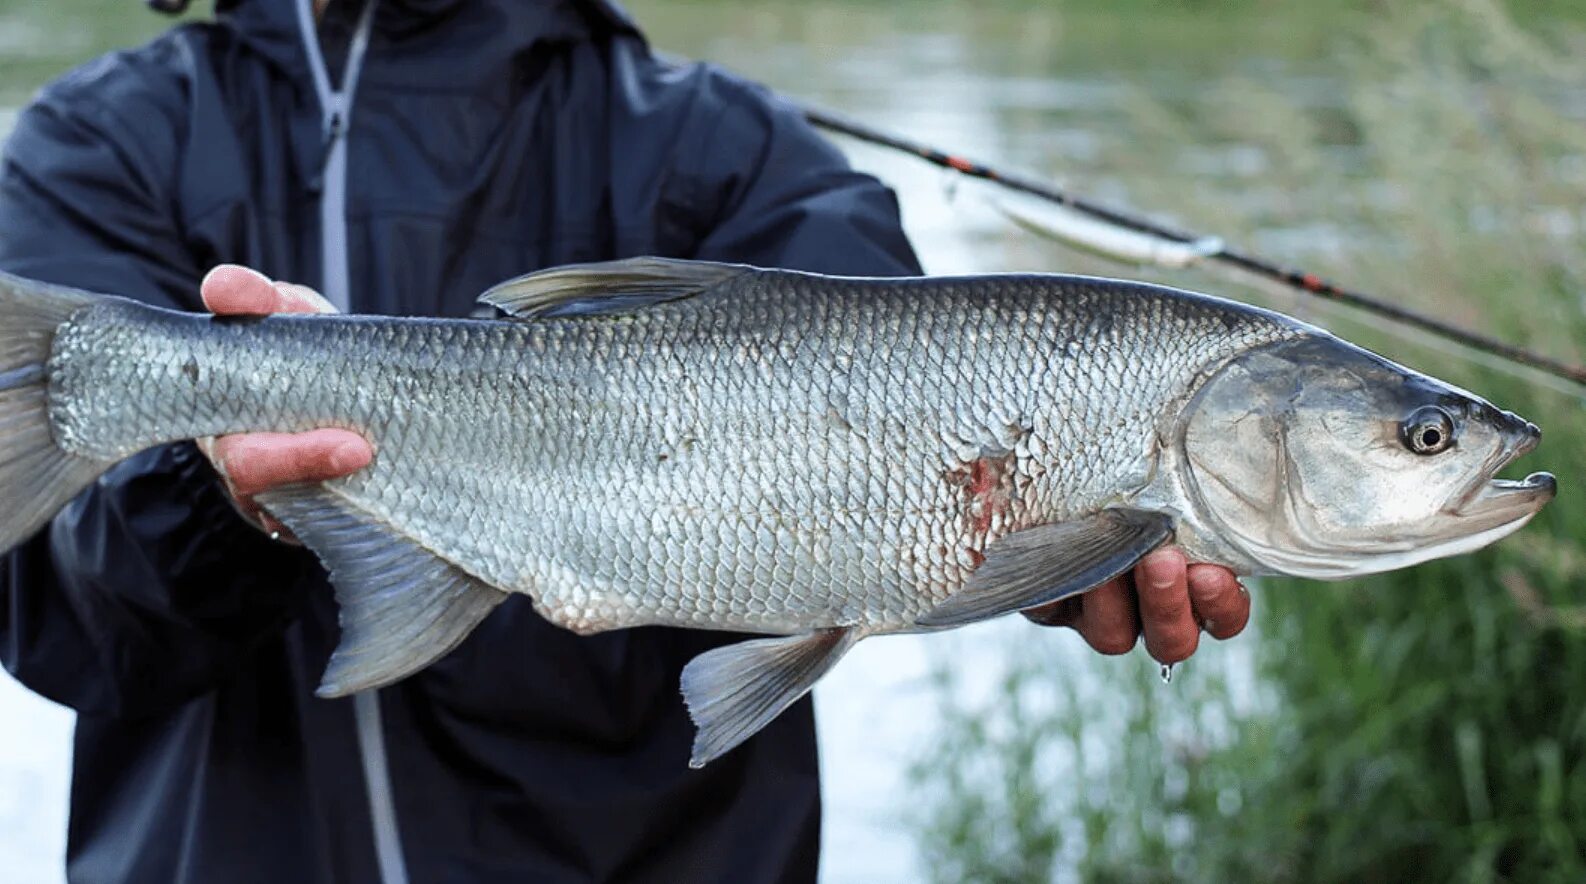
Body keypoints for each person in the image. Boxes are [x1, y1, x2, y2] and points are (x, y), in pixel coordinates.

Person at [0, 1, 1249, 881]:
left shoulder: (740, 157)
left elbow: (917, 440)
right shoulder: (95, 147)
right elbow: (65, 619)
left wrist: (1029, 550)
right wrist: (229, 497)